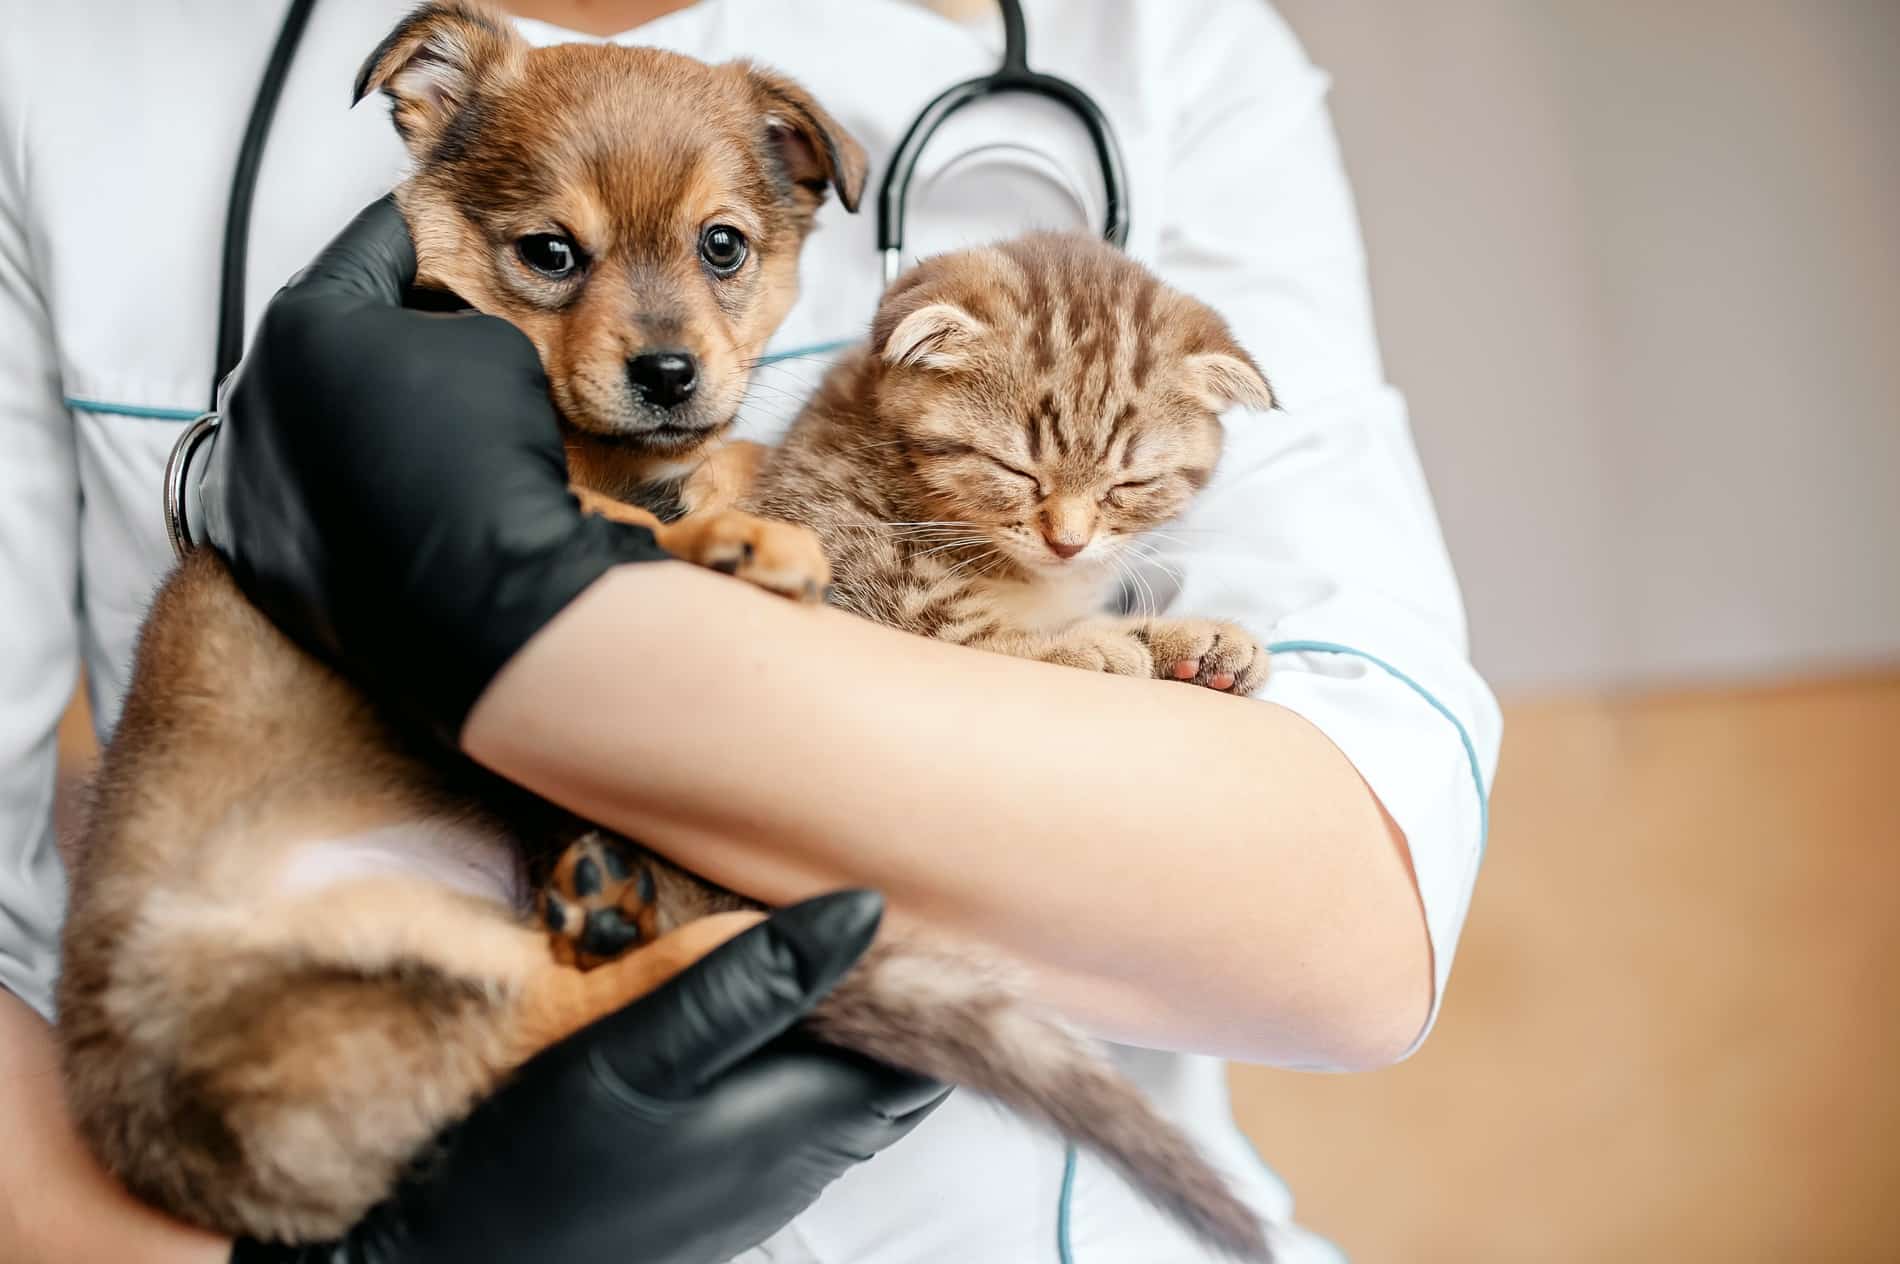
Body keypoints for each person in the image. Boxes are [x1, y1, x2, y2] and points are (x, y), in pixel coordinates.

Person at [0, 1, 1502, 1261]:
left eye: (725, 253)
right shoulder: (62, 58)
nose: (658, 342)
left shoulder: (1163, 41)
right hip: (287, 1037)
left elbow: (1356, 928)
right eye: (553, 257)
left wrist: (544, 631)